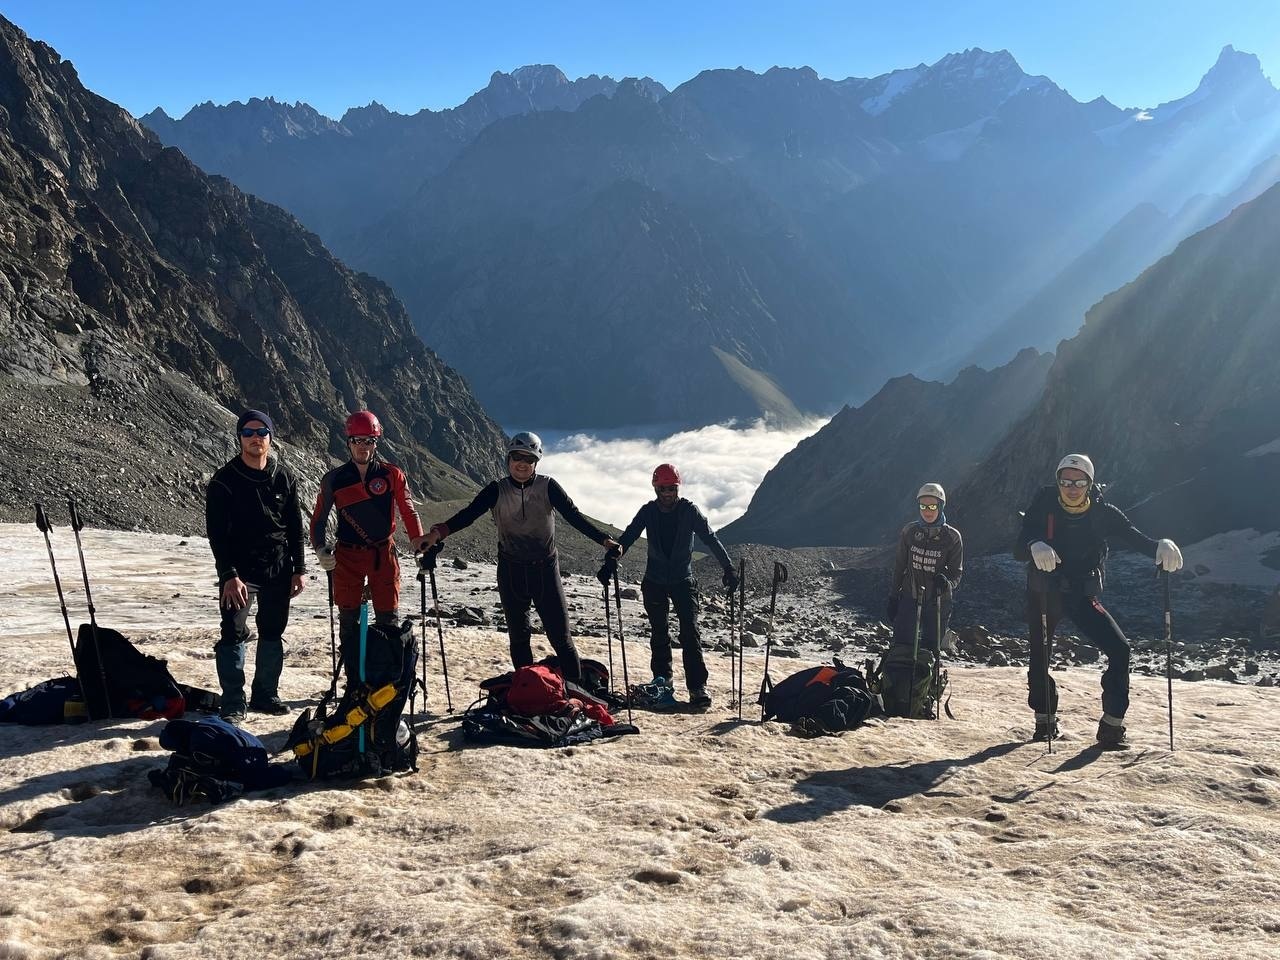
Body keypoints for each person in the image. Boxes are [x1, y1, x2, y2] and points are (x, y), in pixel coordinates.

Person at [421, 432, 619, 682]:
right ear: (508, 458)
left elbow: (573, 515)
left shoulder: (548, 487)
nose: (522, 463)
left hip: (545, 570)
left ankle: (575, 695)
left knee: (560, 637)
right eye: (517, 457)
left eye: (529, 458)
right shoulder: (497, 490)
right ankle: (530, 690)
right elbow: (468, 514)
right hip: (511, 570)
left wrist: (604, 540)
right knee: (519, 637)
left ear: (537, 461)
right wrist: (438, 533)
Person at [1015, 453, 1183, 747]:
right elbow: (1018, 545)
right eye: (1066, 480)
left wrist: (1160, 546)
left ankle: (1111, 725)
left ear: (1090, 483)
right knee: (1039, 658)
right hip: (1044, 594)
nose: (1072, 487)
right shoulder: (1044, 505)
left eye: (1079, 481)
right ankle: (1045, 721)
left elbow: (1135, 538)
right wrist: (1033, 543)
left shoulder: (1103, 513)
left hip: (1080, 594)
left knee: (1119, 649)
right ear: (1058, 482)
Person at [205, 409, 306, 721]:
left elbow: (294, 525)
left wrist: (299, 568)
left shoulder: (284, 477)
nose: (255, 438)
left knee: (273, 630)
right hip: (240, 573)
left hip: (278, 568)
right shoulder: (224, 481)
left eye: (261, 432)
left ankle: (265, 695)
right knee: (233, 631)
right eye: (248, 432)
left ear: (271, 438)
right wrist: (228, 575)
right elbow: (217, 534)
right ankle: (234, 701)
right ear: (239, 438)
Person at [310, 411, 426, 678]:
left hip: (383, 554)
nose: (363, 446)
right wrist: (319, 549)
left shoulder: (392, 475)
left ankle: (387, 679)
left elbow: (408, 511)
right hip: (347, 557)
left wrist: (419, 543)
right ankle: (354, 678)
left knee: (388, 619)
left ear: (377, 443)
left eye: (369, 441)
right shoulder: (334, 479)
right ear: (348, 442)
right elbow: (317, 520)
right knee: (349, 622)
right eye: (357, 440)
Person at [614, 463, 737, 710]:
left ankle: (697, 687)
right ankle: (662, 684)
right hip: (655, 581)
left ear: (678, 487)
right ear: (655, 488)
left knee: (690, 633)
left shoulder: (689, 511)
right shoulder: (648, 511)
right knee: (659, 634)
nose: (668, 493)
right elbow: (628, 537)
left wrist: (728, 567)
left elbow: (710, 538)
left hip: (683, 580)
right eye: (663, 488)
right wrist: (611, 561)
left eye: (672, 488)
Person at [881, 483, 963, 716]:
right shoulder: (909, 532)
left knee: (930, 649)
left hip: (937, 601)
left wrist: (945, 582)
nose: (928, 510)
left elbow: (957, 572)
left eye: (932, 505)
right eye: (923, 505)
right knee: (902, 645)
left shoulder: (952, 537)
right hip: (909, 596)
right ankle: (897, 694)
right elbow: (899, 566)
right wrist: (893, 596)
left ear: (941, 506)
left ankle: (923, 698)